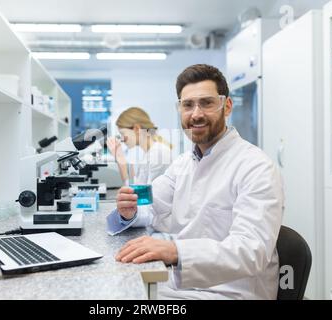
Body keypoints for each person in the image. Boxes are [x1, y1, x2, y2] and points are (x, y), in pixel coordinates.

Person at [106, 64, 284, 300]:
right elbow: (150, 207)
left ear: (226, 106)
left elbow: (251, 251)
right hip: (185, 284)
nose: (196, 114)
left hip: (231, 291)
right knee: (114, 291)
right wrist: (129, 211)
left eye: (207, 103)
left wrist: (175, 250)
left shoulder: (255, 167)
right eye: (188, 105)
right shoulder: (183, 164)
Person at [106, 107, 173, 185]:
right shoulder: (149, 153)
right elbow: (137, 183)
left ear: (137, 129)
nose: (122, 139)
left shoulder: (158, 153)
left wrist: (120, 159)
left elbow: (141, 193)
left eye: (123, 134)